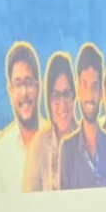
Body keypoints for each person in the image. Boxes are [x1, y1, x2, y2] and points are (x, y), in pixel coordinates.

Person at [60, 44, 106, 189]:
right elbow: (62, 208)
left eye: (94, 86)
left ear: (101, 92)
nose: (89, 95)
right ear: (77, 89)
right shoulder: (67, 150)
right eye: (84, 85)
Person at [0, 42, 44, 193]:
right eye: (18, 84)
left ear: (38, 87)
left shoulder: (56, 139)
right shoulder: (2, 150)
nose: (24, 92)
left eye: (28, 83)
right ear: (10, 90)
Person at [24, 53, 75, 192]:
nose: (63, 104)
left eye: (66, 94)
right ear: (48, 101)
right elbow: (29, 204)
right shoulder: (38, 146)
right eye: (56, 96)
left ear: (74, 95)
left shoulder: (87, 139)